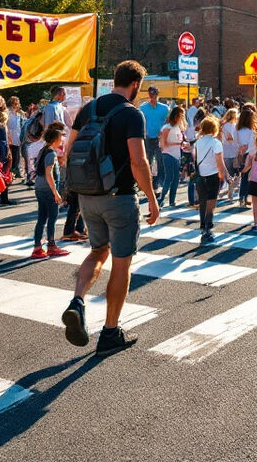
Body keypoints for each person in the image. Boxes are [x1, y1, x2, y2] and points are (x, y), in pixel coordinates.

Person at [60, 61, 160, 358]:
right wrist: (151, 198)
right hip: (119, 197)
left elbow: (68, 150)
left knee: (97, 251)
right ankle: (110, 332)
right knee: (121, 263)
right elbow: (138, 161)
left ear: (115, 79)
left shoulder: (88, 109)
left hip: (88, 195)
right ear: (136, 85)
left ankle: (77, 301)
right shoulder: (132, 114)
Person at [32, 126, 70, 259]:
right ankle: (52, 246)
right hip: (48, 189)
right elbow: (49, 173)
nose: (62, 140)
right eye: (60, 138)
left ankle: (37, 247)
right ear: (55, 139)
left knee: (41, 218)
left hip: (39, 187)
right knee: (52, 218)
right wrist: (56, 192)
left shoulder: (43, 150)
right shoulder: (51, 154)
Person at [192, 117, 229, 241]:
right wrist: (224, 175)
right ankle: (208, 227)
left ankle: (203, 226)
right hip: (213, 175)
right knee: (211, 203)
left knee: (203, 202)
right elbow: (219, 162)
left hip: (200, 175)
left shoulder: (198, 142)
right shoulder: (216, 143)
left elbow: (195, 159)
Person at [140, 86, 169, 185]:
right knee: (148, 159)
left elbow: (168, 122)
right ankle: (148, 180)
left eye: (154, 94)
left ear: (157, 94)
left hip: (160, 138)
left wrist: (164, 133)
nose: (152, 96)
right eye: (150, 94)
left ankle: (160, 180)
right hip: (147, 137)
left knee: (160, 159)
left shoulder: (165, 108)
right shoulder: (143, 108)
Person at [158, 106, 186, 208]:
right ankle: (161, 199)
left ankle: (172, 201)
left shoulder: (177, 127)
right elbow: (163, 143)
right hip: (168, 155)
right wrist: (178, 143)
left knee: (175, 179)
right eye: (181, 115)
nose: (182, 117)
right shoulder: (167, 127)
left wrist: (182, 145)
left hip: (176, 155)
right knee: (169, 178)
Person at [237, 105, 257, 206]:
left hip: (239, 155)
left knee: (243, 177)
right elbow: (252, 146)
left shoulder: (237, 130)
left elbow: (234, 142)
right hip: (249, 155)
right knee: (247, 177)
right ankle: (244, 197)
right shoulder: (251, 132)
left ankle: (241, 197)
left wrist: (240, 148)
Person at [220, 108, 241, 201]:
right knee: (234, 173)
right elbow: (230, 138)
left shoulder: (227, 126)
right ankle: (230, 193)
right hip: (232, 151)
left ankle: (229, 191)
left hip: (228, 152)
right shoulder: (230, 126)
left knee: (231, 174)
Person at [6, 96, 26, 185]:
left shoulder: (18, 114)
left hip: (17, 136)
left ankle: (15, 171)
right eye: (15, 103)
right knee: (11, 155)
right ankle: (11, 172)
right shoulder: (7, 112)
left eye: (17, 103)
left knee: (17, 155)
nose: (16, 105)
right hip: (10, 135)